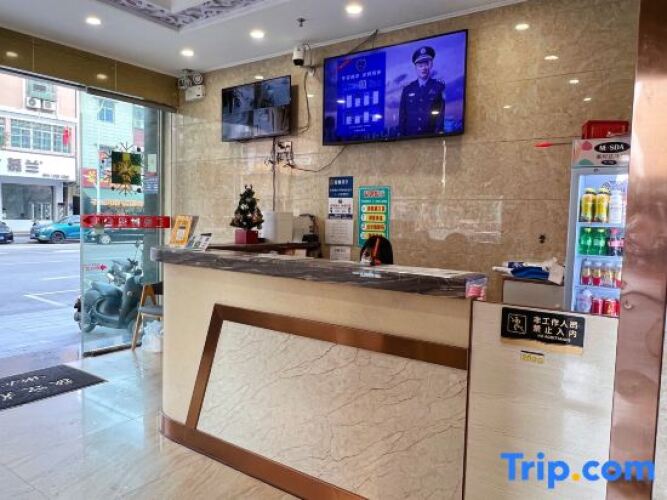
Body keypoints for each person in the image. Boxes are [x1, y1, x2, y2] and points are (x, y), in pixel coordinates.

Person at [398, 46, 446, 137]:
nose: (424, 68)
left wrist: (437, 137)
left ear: (430, 66)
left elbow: (441, 115)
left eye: (426, 64)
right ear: (416, 67)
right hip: (409, 139)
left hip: (432, 138)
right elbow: (402, 118)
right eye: (420, 66)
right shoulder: (407, 89)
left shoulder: (438, 87)